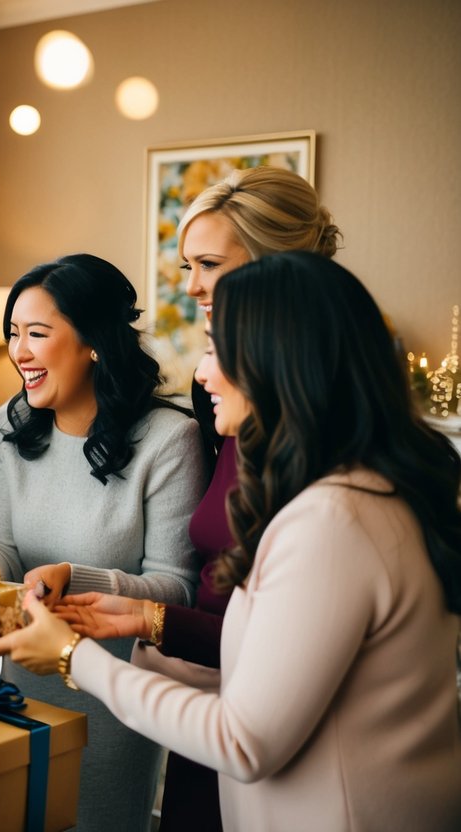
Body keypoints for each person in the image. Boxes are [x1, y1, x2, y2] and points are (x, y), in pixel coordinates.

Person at [0, 252, 461, 832]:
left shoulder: (333, 522)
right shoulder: (358, 497)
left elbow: (243, 738)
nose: (201, 375)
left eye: (213, 348)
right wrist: (143, 617)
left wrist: (73, 657)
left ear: (280, 361)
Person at [57, 167, 343, 831]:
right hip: (203, 684)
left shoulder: (324, 429)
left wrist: (129, 633)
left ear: (278, 267)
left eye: (208, 264)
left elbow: (286, 637)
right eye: (186, 264)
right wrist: (142, 616)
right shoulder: (219, 396)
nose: (188, 287)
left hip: (267, 717)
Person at [0, 253, 204, 832]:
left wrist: (75, 575)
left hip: (117, 699)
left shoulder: (169, 440)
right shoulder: (11, 422)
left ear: (93, 342)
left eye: (37, 334)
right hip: (21, 680)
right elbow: (2, 543)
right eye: (12, 334)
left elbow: (177, 586)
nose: (18, 352)